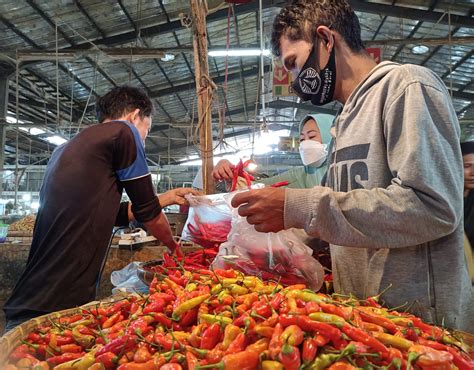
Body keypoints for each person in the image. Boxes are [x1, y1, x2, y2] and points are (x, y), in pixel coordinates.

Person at [231, 0, 472, 330]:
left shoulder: (406, 88)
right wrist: (273, 246)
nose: (295, 81)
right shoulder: (344, 123)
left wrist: (301, 207)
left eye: (295, 63)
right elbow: (345, 212)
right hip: (365, 322)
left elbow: (434, 207)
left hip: (423, 328)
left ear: (326, 40)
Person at [3, 86, 200, 331]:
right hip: (54, 306)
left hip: (33, 297)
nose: (143, 142)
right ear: (134, 116)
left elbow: (112, 213)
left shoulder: (65, 149)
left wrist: (167, 197)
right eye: (146, 132)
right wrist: (175, 249)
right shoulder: (124, 132)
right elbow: (148, 214)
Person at [212, 113, 334, 189]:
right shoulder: (302, 174)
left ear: (331, 136)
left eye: (312, 137)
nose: (306, 143)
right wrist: (228, 168)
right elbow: (262, 186)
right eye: (302, 139)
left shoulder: (344, 170)